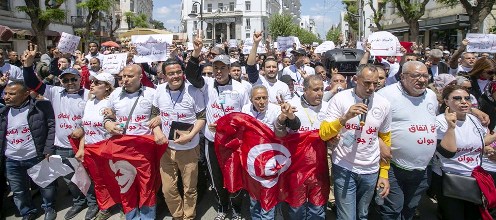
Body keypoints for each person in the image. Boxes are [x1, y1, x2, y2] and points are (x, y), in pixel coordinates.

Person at [22, 46, 99, 220]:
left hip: (81, 145)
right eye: (66, 80)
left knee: (84, 177)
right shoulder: (55, 92)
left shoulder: (89, 96)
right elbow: (33, 84)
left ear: (80, 79)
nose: (70, 82)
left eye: (73, 79)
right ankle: (79, 201)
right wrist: (27, 67)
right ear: (61, 81)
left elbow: (94, 120)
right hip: (60, 145)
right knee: (68, 179)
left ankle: (92, 202)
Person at [185, 32, 248, 220]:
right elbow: (191, 75)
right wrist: (196, 53)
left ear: (230, 69)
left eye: (222, 68)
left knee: (234, 176)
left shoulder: (241, 88)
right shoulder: (207, 85)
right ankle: (222, 205)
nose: (218, 71)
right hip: (212, 142)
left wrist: (230, 129)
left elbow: (245, 117)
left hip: (233, 143)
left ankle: (236, 207)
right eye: (215, 68)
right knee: (216, 178)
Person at [320, 64, 391, 220]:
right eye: (366, 83)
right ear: (355, 79)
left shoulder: (384, 104)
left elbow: (386, 139)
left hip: (370, 170)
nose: (371, 87)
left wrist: (384, 173)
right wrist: (345, 118)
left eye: (375, 83)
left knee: (363, 215)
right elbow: (324, 133)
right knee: (347, 217)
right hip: (344, 167)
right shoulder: (340, 99)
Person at [377, 61, 438, 220]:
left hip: (422, 167)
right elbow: (367, 125)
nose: (422, 79)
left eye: (425, 75)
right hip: (393, 166)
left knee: (411, 207)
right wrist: (379, 142)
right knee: (393, 208)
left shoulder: (431, 96)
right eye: (416, 75)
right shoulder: (385, 95)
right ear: (402, 77)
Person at [103, 64, 159, 219]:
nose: (125, 80)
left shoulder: (152, 94)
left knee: (146, 186)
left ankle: (148, 217)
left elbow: (163, 113)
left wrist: (159, 118)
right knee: (125, 185)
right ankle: (132, 216)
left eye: (129, 76)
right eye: (122, 77)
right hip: (121, 148)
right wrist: (107, 123)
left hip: (144, 149)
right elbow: (108, 116)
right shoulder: (114, 95)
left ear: (140, 77)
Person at [152, 58, 206, 220]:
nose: (175, 76)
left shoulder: (194, 91)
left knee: (189, 188)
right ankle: (177, 215)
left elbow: (201, 117)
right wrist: (157, 131)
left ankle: (188, 216)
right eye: (170, 73)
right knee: (168, 189)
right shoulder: (159, 90)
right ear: (164, 75)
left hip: (189, 148)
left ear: (183, 73)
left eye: (178, 72)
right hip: (166, 148)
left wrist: (191, 135)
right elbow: (154, 114)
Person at [432, 85, 496, 219]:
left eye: (467, 98)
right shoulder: (439, 122)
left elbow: (478, 144)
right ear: (446, 101)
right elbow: (448, 152)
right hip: (450, 179)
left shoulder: (475, 120)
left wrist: (487, 150)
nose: (464, 101)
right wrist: (451, 127)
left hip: (474, 179)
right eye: (457, 98)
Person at [241, 85, 300, 220]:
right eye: (258, 98)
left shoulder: (275, 110)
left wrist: (288, 116)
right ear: (251, 99)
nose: (262, 102)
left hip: (271, 163)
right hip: (252, 163)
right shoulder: (245, 109)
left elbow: (294, 127)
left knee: (268, 200)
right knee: (254, 199)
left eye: (264, 98)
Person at [0, 80, 57, 220]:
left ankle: (49, 207)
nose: (6, 97)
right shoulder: (3, 111)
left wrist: (48, 148)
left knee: (46, 185)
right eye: (5, 93)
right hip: (11, 160)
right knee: (19, 190)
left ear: (26, 94)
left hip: (36, 156)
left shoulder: (41, 107)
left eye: (12, 94)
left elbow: (51, 127)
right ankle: (27, 212)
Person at [285, 75, 328, 219]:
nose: (320, 93)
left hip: (318, 168)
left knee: (317, 208)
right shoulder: (292, 105)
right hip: (296, 169)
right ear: (305, 90)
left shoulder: (328, 107)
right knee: (297, 208)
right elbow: (279, 133)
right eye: (316, 89)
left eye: (322, 89)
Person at [75, 72, 115, 220]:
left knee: (116, 179)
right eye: (92, 82)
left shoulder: (112, 103)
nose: (92, 84)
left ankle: (124, 206)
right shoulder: (89, 102)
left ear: (107, 87)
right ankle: (105, 207)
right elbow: (85, 128)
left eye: (98, 83)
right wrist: (81, 148)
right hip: (91, 149)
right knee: (98, 181)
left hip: (108, 148)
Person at [247, 32, 291, 104]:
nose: (271, 69)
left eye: (274, 67)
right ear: (263, 69)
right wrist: (256, 43)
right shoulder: (258, 81)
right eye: (268, 67)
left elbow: (288, 106)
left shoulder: (284, 86)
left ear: (278, 68)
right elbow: (251, 65)